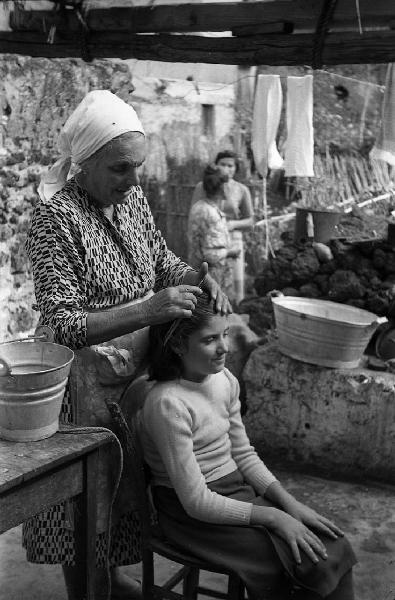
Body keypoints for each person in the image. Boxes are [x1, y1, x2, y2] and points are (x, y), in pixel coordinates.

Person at [25, 90, 230, 600]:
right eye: (120, 169)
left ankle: (113, 583)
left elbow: (160, 261)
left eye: (138, 166)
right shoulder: (56, 221)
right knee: (82, 510)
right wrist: (148, 310)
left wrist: (199, 279)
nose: (134, 179)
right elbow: (64, 323)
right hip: (80, 385)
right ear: (84, 164)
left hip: (127, 376)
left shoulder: (131, 199)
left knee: (122, 496)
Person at [138, 293, 357, 600]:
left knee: (333, 544)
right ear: (177, 346)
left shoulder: (225, 380)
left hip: (236, 492)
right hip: (191, 516)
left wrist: (288, 503)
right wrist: (273, 517)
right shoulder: (167, 404)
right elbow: (196, 501)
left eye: (225, 334)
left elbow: (242, 454)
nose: (224, 347)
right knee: (304, 560)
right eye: (210, 339)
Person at [191, 150, 254, 304]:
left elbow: (251, 221)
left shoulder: (241, 189)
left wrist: (232, 224)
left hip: (233, 240)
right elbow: (195, 215)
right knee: (207, 284)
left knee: (232, 285)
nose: (226, 168)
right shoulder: (204, 186)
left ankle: (233, 315)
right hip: (207, 241)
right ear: (216, 166)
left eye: (230, 165)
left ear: (235, 168)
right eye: (223, 164)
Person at [188, 164, 241, 300]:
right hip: (212, 278)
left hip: (202, 274)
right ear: (223, 189)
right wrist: (231, 252)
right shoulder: (210, 214)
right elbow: (210, 254)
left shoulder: (200, 207)